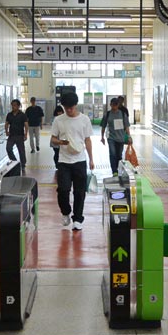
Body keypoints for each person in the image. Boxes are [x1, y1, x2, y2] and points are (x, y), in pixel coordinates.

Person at [50, 92, 94, 231]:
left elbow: (87, 139)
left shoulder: (84, 120)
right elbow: (53, 139)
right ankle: (65, 212)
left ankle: (78, 219)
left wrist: (91, 158)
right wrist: (62, 142)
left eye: (71, 107)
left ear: (76, 105)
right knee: (63, 190)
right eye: (66, 107)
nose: (69, 110)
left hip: (80, 160)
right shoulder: (58, 120)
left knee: (79, 192)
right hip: (64, 161)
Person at [100, 97, 131, 176]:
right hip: (111, 138)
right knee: (112, 154)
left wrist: (129, 136)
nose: (114, 107)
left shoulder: (123, 114)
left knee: (119, 155)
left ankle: (117, 168)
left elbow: (127, 126)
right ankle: (114, 171)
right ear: (110, 104)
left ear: (118, 105)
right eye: (112, 105)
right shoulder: (107, 114)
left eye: (116, 105)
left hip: (121, 138)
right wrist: (102, 137)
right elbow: (103, 126)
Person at [5, 99, 28, 175]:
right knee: (8, 148)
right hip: (11, 135)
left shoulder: (22, 115)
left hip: (20, 135)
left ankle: (23, 164)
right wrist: (6, 131)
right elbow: (7, 123)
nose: (13, 107)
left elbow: (26, 124)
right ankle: (14, 162)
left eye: (15, 105)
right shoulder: (9, 114)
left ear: (18, 106)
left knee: (21, 151)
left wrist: (25, 134)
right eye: (12, 105)